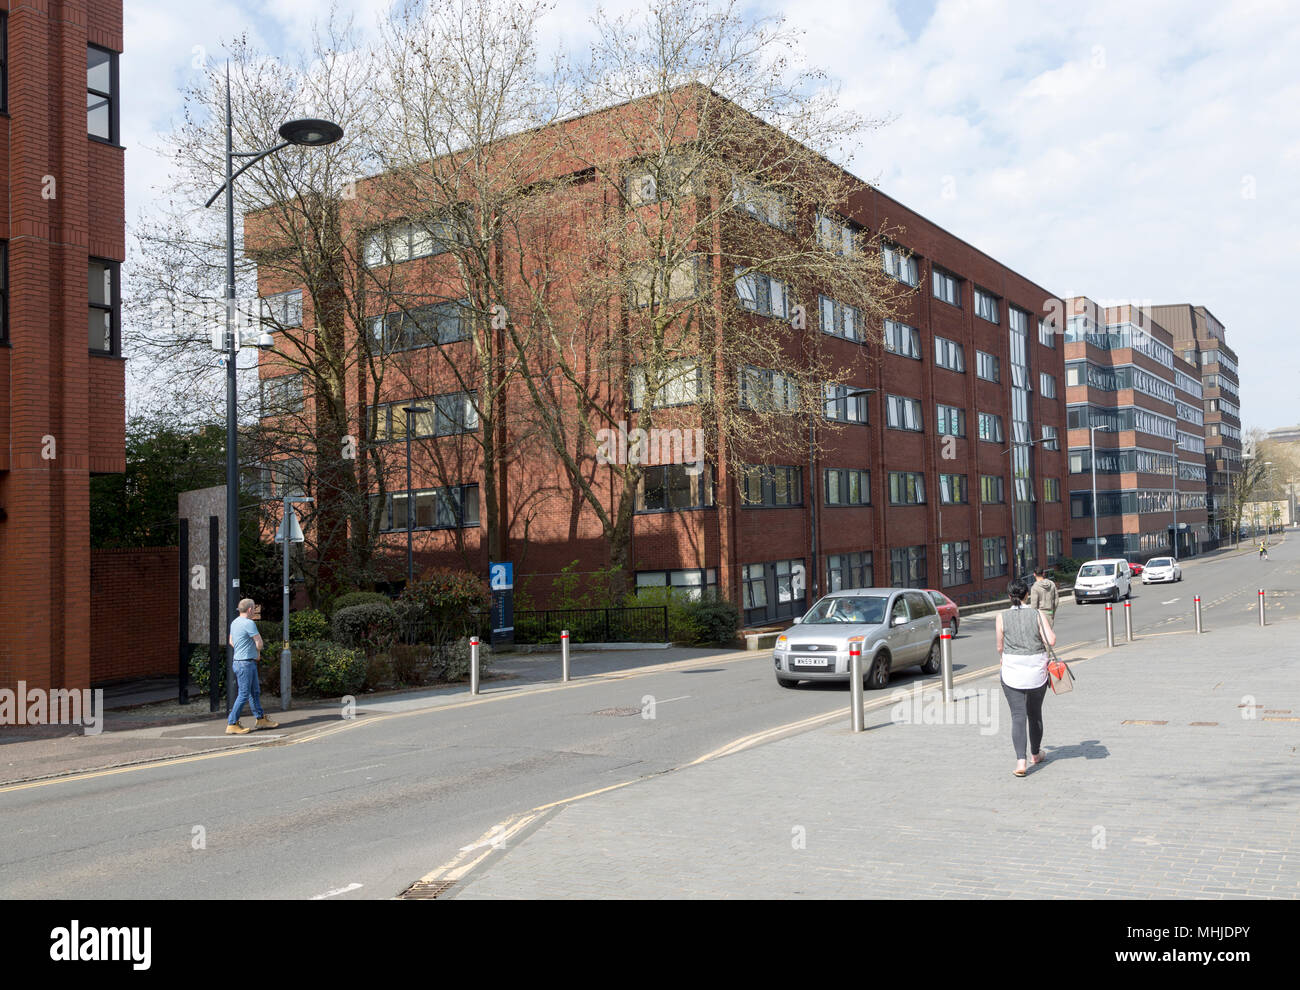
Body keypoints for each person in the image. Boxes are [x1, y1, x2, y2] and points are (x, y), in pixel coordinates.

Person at [996, 577, 1056, 777]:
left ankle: (1021, 762)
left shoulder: (1001, 617)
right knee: (1035, 713)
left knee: (1017, 717)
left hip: (1012, 671)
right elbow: (1052, 640)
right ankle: (1036, 754)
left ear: (1009, 596)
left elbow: (999, 647)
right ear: (1026, 595)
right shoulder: (1037, 614)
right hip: (1036, 671)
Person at [226, 599, 278, 735]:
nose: (255, 611)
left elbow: (231, 641)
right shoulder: (249, 623)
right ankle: (232, 723)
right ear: (249, 609)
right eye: (254, 608)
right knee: (244, 694)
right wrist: (257, 652)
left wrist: (243, 649)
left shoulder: (234, 622)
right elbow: (259, 643)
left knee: (254, 692)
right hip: (246, 663)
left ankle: (260, 719)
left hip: (240, 662)